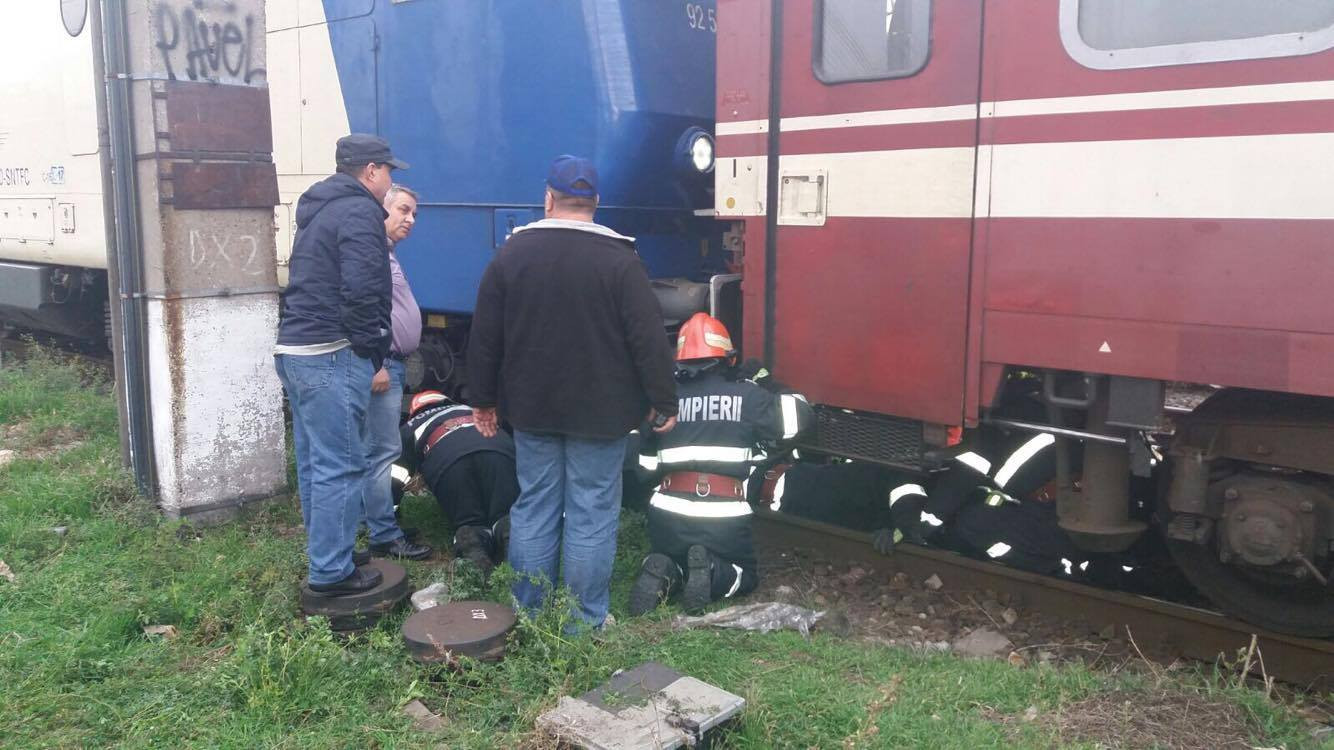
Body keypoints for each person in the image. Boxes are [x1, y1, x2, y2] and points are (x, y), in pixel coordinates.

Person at [467, 155, 678, 629]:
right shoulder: (621, 261)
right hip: (601, 414)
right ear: (596, 203)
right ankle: (582, 623)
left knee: (535, 506)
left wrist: (482, 399)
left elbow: (485, 335)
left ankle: (529, 614)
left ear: (548, 199)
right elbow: (648, 338)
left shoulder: (511, 256)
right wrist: (663, 399)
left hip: (533, 408)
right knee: (592, 512)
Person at [273, 133, 407, 595]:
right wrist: (372, 350)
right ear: (370, 171)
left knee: (316, 463)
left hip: (297, 350)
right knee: (343, 465)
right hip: (332, 352)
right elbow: (363, 287)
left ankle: (331, 551)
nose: (390, 183)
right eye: (388, 171)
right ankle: (331, 571)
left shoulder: (320, 208)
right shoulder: (359, 211)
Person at [629, 313, 813, 615]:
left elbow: (644, 467)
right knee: (746, 573)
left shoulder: (663, 400)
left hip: (667, 514)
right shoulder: (748, 395)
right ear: (729, 358)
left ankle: (662, 569)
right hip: (723, 516)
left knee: (668, 554)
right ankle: (714, 571)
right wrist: (767, 381)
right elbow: (801, 419)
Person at [358, 184, 432, 561]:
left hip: (390, 362)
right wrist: (373, 364)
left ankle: (375, 520)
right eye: (403, 210)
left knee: (377, 449)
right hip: (382, 364)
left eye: (414, 213)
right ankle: (383, 536)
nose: (410, 219)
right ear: (381, 209)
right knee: (381, 451)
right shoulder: (372, 255)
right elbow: (359, 309)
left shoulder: (386, 253)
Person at [397, 390, 518, 573]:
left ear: (415, 410)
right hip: (498, 451)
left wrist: (389, 514)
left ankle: (472, 537)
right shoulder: (469, 409)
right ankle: (507, 530)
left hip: (450, 463)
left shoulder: (411, 425)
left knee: (469, 518)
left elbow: (395, 474)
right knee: (504, 510)